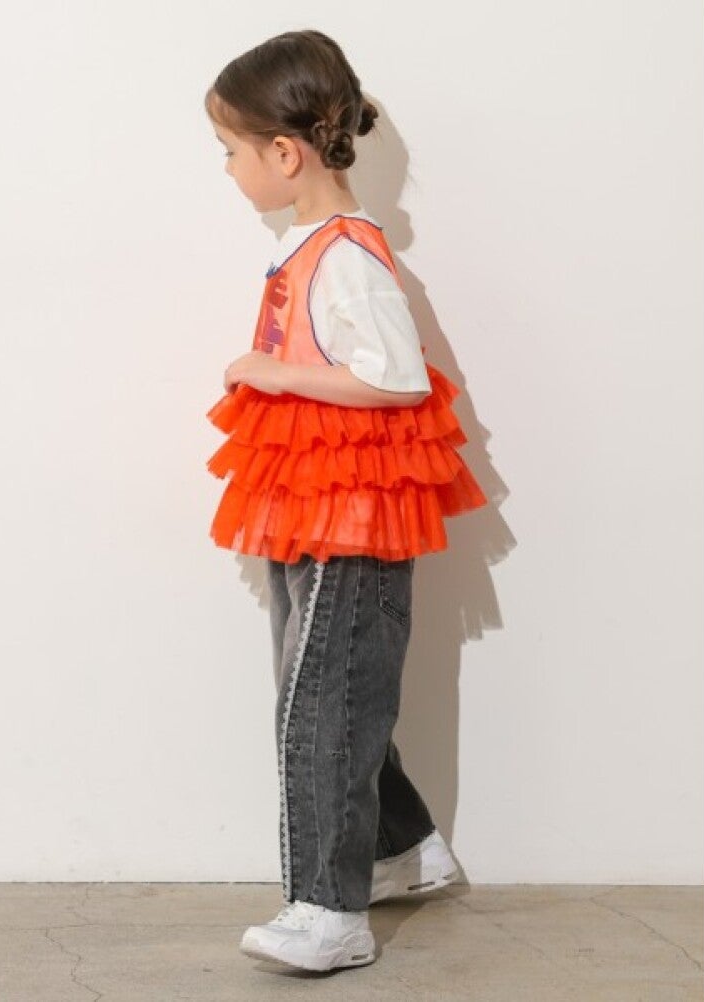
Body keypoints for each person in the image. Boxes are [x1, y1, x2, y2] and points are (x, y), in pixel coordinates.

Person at [202, 29, 488, 972]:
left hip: (350, 516)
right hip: (310, 502)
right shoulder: (310, 245)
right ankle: (404, 850)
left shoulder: (347, 256)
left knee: (317, 708)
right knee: (329, 692)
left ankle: (330, 912)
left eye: (231, 151)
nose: (229, 170)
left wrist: (272, 371)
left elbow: (395, 379)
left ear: (285, 154)